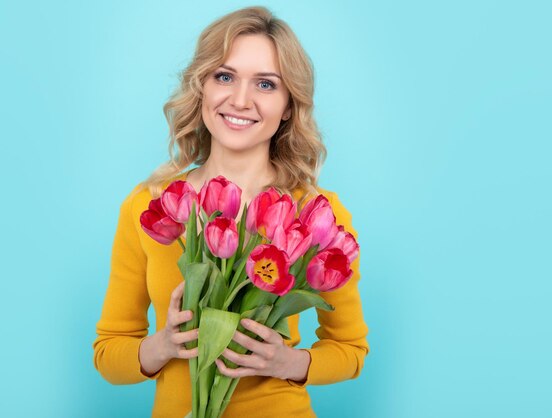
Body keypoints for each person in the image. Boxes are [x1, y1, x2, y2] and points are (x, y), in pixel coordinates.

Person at [93, 6, 368, 418]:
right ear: (201, 86)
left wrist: (290, 364)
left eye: (266, 84)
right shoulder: (150, 205)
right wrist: (164, 344)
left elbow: (350, 350)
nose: (240, 99)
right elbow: (109, 353)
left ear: (289, 104)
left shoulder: (315, 215)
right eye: (224, 76)